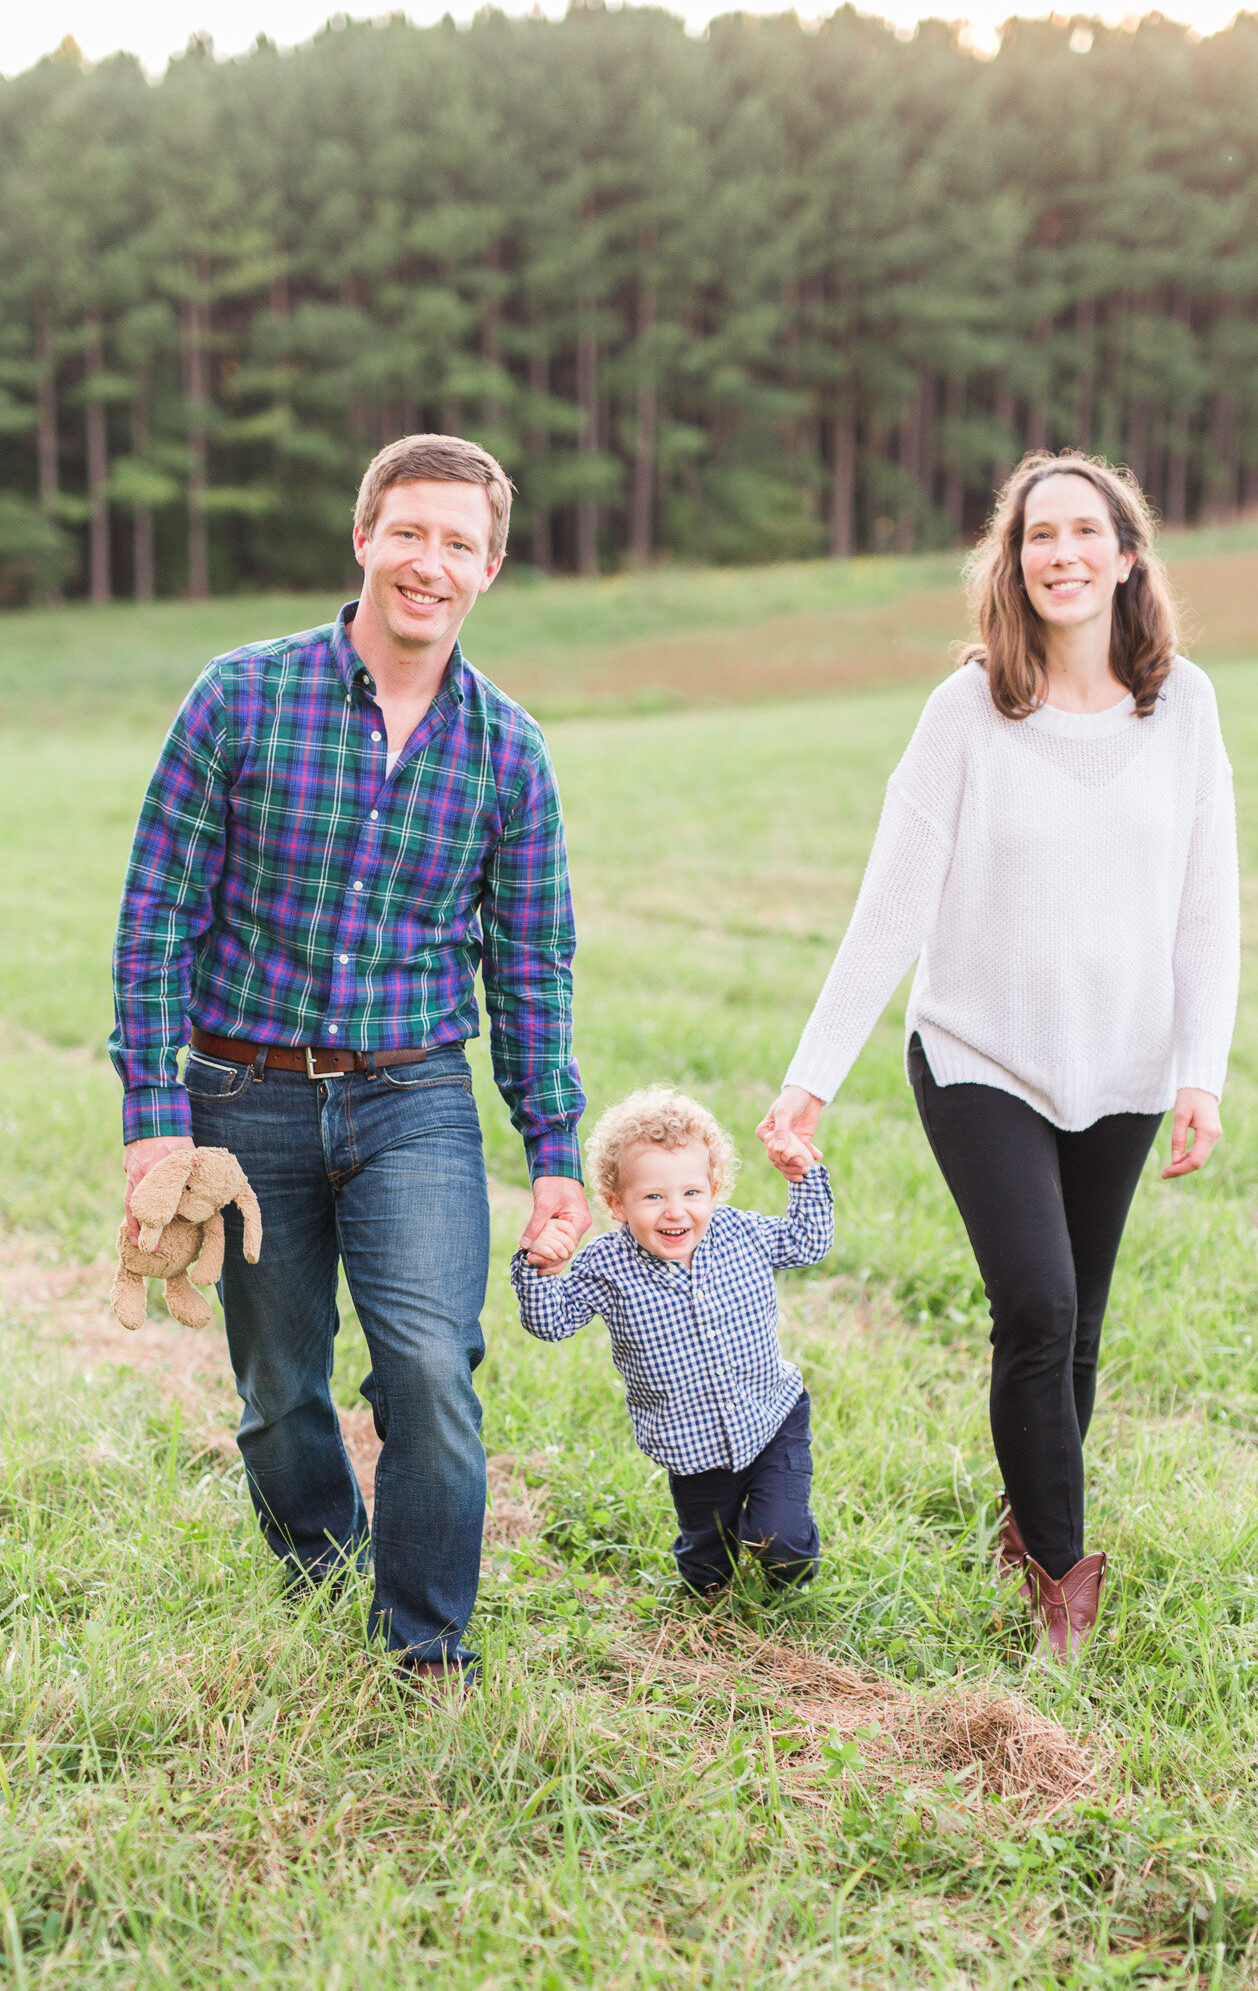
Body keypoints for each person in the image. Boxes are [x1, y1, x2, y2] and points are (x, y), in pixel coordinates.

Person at [110, 433, 591, 1693]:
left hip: (413, 1093)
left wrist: (552, 1152)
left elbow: (531, 964)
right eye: (410, 531)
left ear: (489, 569)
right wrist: (154, 1116)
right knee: (279, 1391)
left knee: (431, 1361)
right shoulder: (239, 695)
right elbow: (158, 905)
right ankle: (324, 1563)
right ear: (365, 537)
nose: (430, 563)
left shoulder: (508, 752)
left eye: (459, 543)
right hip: (241, 1089)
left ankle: (426, 1640)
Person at [759, 450, 1239, 1664]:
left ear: (1129, 554)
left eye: (1086, 531)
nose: (1062, 553)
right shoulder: (967, 709)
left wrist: (1202, 1070)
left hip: (1123, 1063)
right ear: (1011, 562)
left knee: (1078, 1327)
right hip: (981, 1054)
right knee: (1037, 1303)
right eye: (1038, 536)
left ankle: (1029, 1521)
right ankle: (1062, 1594)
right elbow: (890, 909)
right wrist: (810, 1080)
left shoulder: (1184, 705)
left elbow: (1209, 904)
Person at [513, 1087, 832, 1594]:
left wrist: (803, 1177)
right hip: (691, 1446)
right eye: (653, 1196)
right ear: (618, 1203)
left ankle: (787, 1576)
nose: (675, 1212)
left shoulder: (740, 1234)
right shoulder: (606, 1265)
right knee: (707, 1563)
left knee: (781, 1540)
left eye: (690, 1193)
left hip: (772, 1418)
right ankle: (706, 1592)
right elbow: (552, 1323)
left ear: (714, 1187)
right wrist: (539, 1267)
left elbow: (807, 1242)